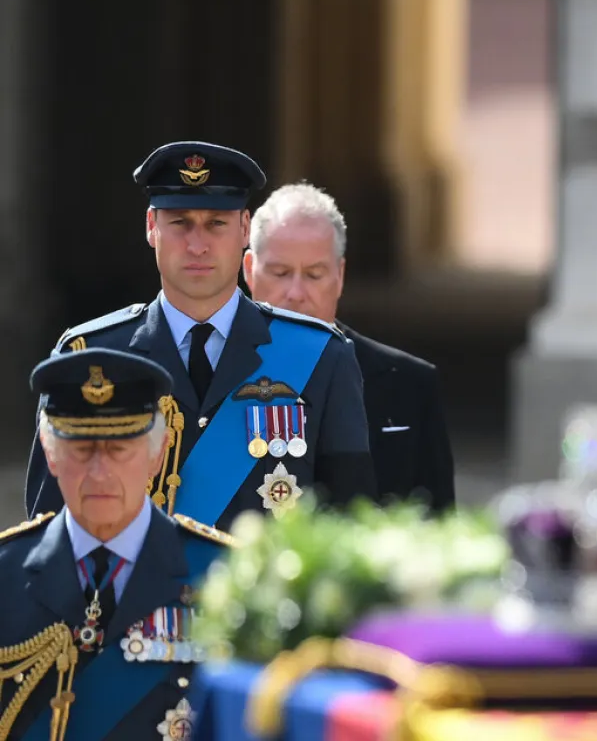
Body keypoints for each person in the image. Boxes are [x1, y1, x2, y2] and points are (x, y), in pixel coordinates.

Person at [24, 142, 377, 531]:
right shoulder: (90, 356)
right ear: (151, 227)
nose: (197, 245)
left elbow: (348, 525)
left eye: (216, 223)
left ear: (244, 228)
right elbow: (50, 535)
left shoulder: (320, 356)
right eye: (180, 222)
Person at [0, 348, 233, 739]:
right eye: (82, 450)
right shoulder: (6, 572)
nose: (100, 472)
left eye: (119, 450)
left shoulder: (224, 574)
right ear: (51, 454)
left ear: (157, 454)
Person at [242, 182, 455, 512]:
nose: (296, 293)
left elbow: (437, 535)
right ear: (249, 272)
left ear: (339, 276)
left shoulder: (409, 385)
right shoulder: (208, 370)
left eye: (314, 275)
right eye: (280, 273)